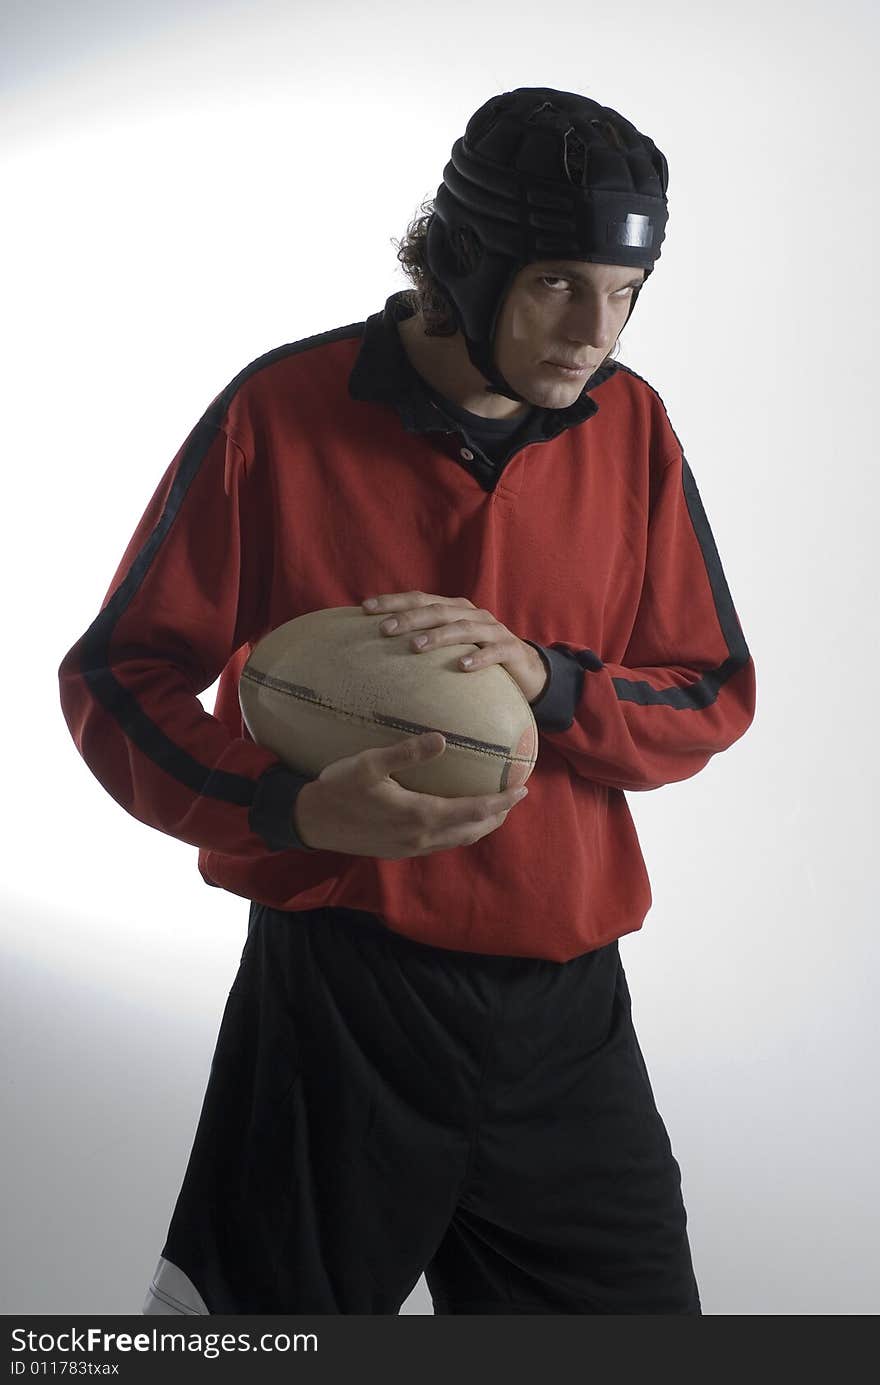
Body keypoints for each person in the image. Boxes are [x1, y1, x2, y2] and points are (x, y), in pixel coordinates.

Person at [58, 87, 756, 1315]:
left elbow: (709, 691)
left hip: (566, 1011)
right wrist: (282, 806)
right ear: (465, 260)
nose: (594, 328)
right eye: (556, 282)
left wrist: (553, 682)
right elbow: (121, 678)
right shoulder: (280, 412)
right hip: (337, 1003)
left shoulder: (632, 425)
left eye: (624, 290)